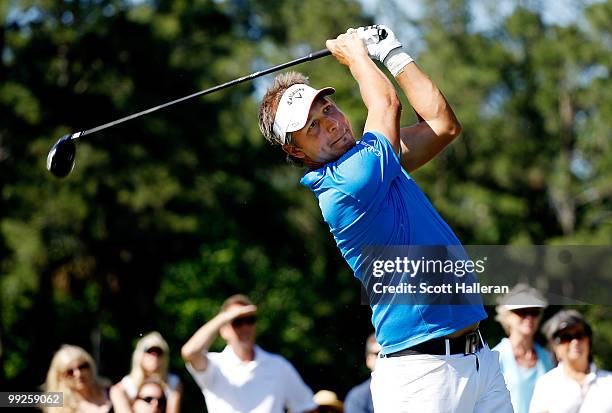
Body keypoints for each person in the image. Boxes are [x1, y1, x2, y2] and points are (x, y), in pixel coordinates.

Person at [258, 25, 512, 411]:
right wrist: (357, 54)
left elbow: (443, 124)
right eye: (313, 127)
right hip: (421, 374)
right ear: (296, 151)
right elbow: (387, 105)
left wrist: (392, 51)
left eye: (328, 109)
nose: (331, 123)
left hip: (479, 360)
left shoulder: (376, 159)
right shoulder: (344, 184)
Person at [181, 294, 317, 413]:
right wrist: (225, 316)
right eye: (237, 322)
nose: (245, 327)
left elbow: (308, 407)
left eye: (250, 320)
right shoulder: (214, 365)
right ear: (223, 330)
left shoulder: (279, 366)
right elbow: (190, 352)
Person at [529, 310, 612, 413]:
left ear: (589, 341)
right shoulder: (546, 385)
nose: (575, 341)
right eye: (565, 337)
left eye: (579, 335)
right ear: (555, 348)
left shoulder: (609, 382)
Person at [493, 284, 554, 413]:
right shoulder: (495, 357)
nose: (529, 318)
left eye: (534, 312)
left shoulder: (547, 357)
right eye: (522, 311)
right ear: (506, 315)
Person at [110, 332, 182, 413]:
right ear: (140, 355)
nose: (154, 357)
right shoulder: (127, 384)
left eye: (159, 352)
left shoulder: (172, 382)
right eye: (149, 351)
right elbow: (115, 391)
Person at [43, 344, 112, 413]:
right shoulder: (61, 410)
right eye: (70, 372)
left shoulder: (112, 393)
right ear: (59, 377)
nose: (79, 374)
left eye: (82, 367)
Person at [344, 334, 380, 413]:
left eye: (390, 354)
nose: (385, 357)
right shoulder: (357, 398)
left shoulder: (411, 386)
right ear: (368, 360)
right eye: (378, 354)